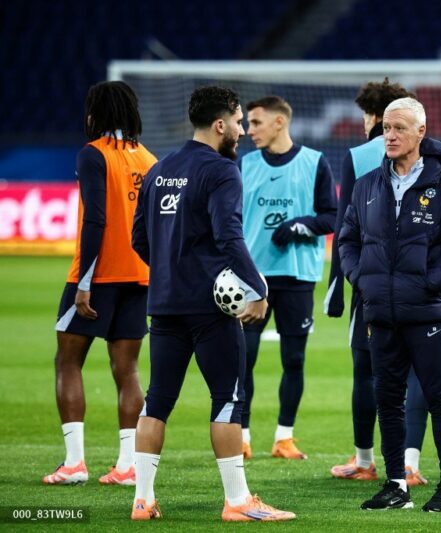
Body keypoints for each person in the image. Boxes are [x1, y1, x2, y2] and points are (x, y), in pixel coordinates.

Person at [130, 86, 295, 521]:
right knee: (227, 398)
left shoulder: (159, 169)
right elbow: (229, 237)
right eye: (239, 122)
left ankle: (142, 500)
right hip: (209, 308)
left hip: (164, 303)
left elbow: (139, 239)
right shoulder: (222, 171)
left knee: (157, 399)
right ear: (220, 124)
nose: (241, 130)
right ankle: (238, 501)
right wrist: (257, 287)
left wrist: (172, 269)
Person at [339, 97, 441, 512]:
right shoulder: (367, 185)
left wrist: (431, 283)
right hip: (380, 313)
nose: (389, 135)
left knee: (439, 398)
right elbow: (348, 240)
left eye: (399, 128)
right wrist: (362, 280)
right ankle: (396, 485)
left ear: (421, 132)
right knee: (387, 399)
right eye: (386, 127)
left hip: (428, 313)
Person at [44, 81, 156, 486]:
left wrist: (85, 282)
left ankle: (75, 463)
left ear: (96, 113)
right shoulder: (148, 158)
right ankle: (127, 466)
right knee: (127, 370)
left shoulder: (93, 154)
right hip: (139, 276)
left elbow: (95, 219)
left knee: (68, 360)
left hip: (98, 275)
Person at [327, 78, 431, 485]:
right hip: (421, 283)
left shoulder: (358, 156)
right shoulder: (432, 153)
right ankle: (410, 462)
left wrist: (338, 288)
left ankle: (365, 460)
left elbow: (345, 230)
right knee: (419, 371)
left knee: (366, 370)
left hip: (370, 285)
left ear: (375, 115)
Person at [240, 95, 337, 461]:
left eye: (256, 122)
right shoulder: (244, 165)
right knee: (243, 359)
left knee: (293, 359)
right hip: (253, 277)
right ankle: (241, 436)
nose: (249, 130)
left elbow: (331, 216)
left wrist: (300, 225)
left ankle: (284, 437)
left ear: (279, 122)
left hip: (297, 275)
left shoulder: (314, 162)